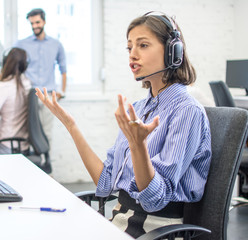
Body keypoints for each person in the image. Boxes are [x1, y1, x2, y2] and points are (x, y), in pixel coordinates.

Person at [35, 12, 211, 238]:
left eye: (143, 45)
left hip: (156, 230)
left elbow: (154, 199)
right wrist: (72, 127)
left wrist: (138, 146)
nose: (133, 55)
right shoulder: (138, 109)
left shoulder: (187, 111)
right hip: (119, 221)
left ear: (172, 51)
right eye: (129, 48)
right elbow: (105, 182)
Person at [14, 8, 67, 143]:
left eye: (37, 22)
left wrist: (62, 92)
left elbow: (63, 69)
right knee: (29, 131)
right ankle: (32, 161)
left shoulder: (56, 44)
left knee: (46, 132)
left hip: (48, 95)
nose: (34, 26)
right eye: (32, 23)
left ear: (44, 21)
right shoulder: (22, 44)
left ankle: (45, 162)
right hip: (30, 94)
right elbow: (12, 64)